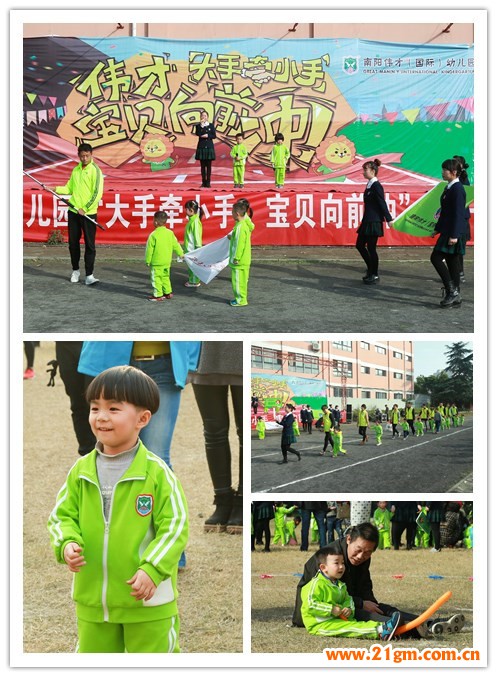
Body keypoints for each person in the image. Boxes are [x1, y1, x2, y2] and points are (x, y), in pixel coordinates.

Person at [47, 365, 188, 653]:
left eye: (113, 408)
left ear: (143, 418)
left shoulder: (157, 474)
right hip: (93, 605)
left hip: (147, 604)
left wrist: (152, 569)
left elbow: (175, 527)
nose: (101, 417)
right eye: (95, 407)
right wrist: (67, 543)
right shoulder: (80, 471)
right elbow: (62, 516)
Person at [292, 522, 462, 638]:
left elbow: (364, 583)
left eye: (367, 553)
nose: (361, 556)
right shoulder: (328, 559)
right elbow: (319, 599)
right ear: (349, 539)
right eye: (358, 550)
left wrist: (371, 603)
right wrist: (360, 603)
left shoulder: (363, 557)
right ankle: (415, 630)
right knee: (367, 614)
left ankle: (430, 623)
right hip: (327, 614)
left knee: (383, 609)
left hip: (348, 604)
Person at [78, 341, 201, 468]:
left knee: (156, 455)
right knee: (111, 453)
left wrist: (189, 358)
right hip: (109, 359)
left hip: (165, 364)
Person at [189, 341, 243, 534]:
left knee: (244, 434)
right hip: (205, 356)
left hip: (243, 353)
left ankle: (243, 500)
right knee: (213, 432)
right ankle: (222, 500)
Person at [300, 543, 401, 640]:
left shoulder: (340, 585)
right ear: (323, 567)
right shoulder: (315, 584)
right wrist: (331, 609)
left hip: (336, 620)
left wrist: (349, 609)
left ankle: (383, 627)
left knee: (355, 624)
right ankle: (380, 632)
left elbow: (348, 600)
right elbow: (310, 604)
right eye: (336, 563)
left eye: (343, 563)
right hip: (319, 624)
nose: (341, 566)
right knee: (350, 629)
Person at [45, 142, 104, 285]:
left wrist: (85, 207)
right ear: (78, 156)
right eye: (82, 156)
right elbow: (69, 188)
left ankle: (89, 275)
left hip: (88, 213)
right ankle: (75, 270)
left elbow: (97, 193)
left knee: (90, 245)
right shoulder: (76, 170)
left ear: (91, 155)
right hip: (73, 211)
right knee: (73, 243)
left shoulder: (95, 170)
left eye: (87, 156)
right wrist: (54, 189)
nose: (84, 158)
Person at [430, 158, 467, 307]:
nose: (442, 172)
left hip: (452, 231)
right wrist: (437, 229)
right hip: (447, 229)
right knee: (452, 262)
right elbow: (444, 212)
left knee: (436, 258)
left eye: (445, 170)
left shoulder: (458, 189)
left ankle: (451, 290)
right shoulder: (449, 187)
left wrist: (454, 235)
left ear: (453, 172)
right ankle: (455, 295)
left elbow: (459, 214)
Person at [356, 159, 393, 285]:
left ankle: (374, 274)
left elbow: (382, 203)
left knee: (371, 248)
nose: (363, 172)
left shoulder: (377, 186)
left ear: (372, 171)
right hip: (367, 220)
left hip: (374, 221)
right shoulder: (369, 185)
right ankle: (371, 268)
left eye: (365, 170)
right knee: (359, 245)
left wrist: (388, 219)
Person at [55, 341, 96, 456]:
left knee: (98, 403)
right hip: (65, 344)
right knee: (77, 404)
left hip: (95, 344)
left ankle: (111, 454)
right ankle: (87, 454)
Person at [145, 211, 184, 301]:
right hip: (167, 261)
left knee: (156, 278)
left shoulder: (153, 235)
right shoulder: (170, 233)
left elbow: (149, 249)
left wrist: (148, 260)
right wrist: (181, 253)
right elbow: (176, 244)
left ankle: (158, 295)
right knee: (165, 277)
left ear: (155, 222)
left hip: (157, 262)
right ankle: (168, 292)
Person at [228, 200, 252, 307]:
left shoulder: (239, 227)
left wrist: (236, 257)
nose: (231, 214)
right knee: (243, 281)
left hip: (239, 261)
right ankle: (242, 298)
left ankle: (240, 300)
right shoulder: (245, 224)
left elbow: (239, 244)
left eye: (232, 212)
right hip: (245, 259)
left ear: (237, 214)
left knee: (237, 282)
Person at [453, 155, 471, 284]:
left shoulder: (462, 181)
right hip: (454, 218)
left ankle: (460, 272)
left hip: (461, 219)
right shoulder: (452, 182)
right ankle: (456, 272)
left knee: (459, 248)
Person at [183, 200, 203, 288]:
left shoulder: (195, 221)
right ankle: (193, 279)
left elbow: (197, 236)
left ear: (191, 210)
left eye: (186, 209)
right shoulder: (193, 220)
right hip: (190, 248)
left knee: (193, 265)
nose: (185, 211)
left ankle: (194, 281)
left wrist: (198, 248)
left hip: (193, 249)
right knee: (191, 265)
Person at [194, 110, 216, 188]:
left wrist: (208, 136)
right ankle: (203, 182)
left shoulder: (211, 125)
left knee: (209, 166)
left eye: (205, 115)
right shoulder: (198, 126)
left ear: (207, 117)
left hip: (209, 146)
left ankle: (208, 182)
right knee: (202, 166)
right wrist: (201, 126)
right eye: (202, 115)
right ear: (200, 117)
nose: (204, 117)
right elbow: (198, 133)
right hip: (202, 146)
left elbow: (214, 135)